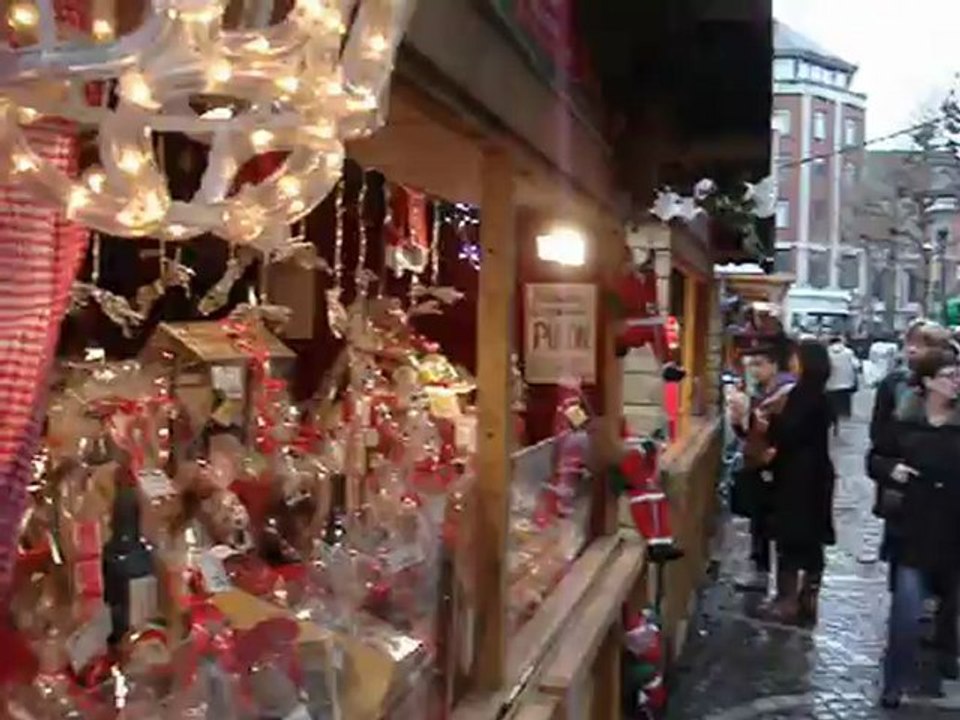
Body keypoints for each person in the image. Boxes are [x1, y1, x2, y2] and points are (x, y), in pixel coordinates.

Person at [868, 320, 960, 681]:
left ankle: (946, 655)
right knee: (906, 610)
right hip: (912, 526)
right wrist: (893, 472)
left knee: (949, 604)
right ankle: (894, 679)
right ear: (927, 382)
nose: (956, 381)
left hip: (954, 526)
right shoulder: (904, 420)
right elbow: (877, 456)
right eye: (949, 375)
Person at [757, 340, 836, 625]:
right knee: (811, 540)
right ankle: (807, 598)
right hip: (815, 475)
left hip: (799, 476)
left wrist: (771, 422)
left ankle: (787, 601)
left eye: (796, 358)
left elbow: (790, 432)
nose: (791, 362)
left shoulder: (803, 396)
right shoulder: (819, 396)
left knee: (791, 536)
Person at [728, 343, 795, 593]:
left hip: (779, 466)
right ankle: (761, 570)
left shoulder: (784, 392)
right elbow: (749, 434)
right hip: (758, 463)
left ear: (774, 365)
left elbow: (776, 430)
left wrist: (751, 417)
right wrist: (739, 421)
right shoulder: (760, 391)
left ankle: (783, 582)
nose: (754, 370)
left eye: (759, 364)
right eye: (751, 365)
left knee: (773, 521)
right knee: (759, 519)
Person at [826, 336, 859, 436]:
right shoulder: (848, 352)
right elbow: (856, 365)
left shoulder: (826, 352)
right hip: (846, 384)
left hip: (830, 384)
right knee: (843, 408)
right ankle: (841, 425)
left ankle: (833, 422)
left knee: (831, 405)